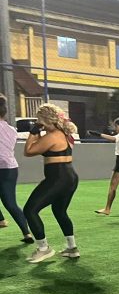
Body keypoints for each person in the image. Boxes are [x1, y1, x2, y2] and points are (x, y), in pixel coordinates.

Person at [22, 103, 80, 262]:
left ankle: (43, 248)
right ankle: (72, 247)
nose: (36, 122)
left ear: (44, 119)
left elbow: (28, 151)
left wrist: (33, 133)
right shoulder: (63, 133)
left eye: (38, 119)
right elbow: (43, 147)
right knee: (60, 211)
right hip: (69, 176)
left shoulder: (52, 136)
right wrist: (38, 133)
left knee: (30, 210)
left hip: (58, 178)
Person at [0, 94, 33, 243]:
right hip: (10, 168)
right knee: (10, 202)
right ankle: (27, 233)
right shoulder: (12, 130)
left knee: (9, 202)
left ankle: (1, 220)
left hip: (2, 168)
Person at [93, 116, 119, 215]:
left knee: (113, 187)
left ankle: (107, 209)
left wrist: (98, 134)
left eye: (117, 126)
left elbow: (112, 139)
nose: (115, 128)